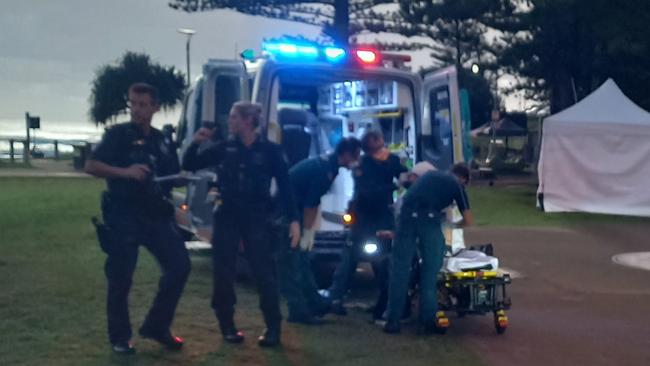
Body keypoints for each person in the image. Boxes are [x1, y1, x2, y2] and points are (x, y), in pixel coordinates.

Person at [182, 101, 300, 347]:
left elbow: (287, 188)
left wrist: (294, 221)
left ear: (248, 121)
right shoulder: (224, 148)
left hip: (257, 218)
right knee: (223, 274)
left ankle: (273, 328)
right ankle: (227, 327)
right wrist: (196, 142)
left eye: (234, 117)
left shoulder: (270, 151)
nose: (229, 121)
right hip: (227, 217)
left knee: (264, 274)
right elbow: (189, 164)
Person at [85, 83, 191, 354]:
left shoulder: (162, 140)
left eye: (143, 104)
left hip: (155, 215)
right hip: (124, 214)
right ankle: (120, 337)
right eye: (134, 103)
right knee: (121, 278)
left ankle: (157, 326)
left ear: (155, 107)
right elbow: (92, 165)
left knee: (179, 266)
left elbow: (171, 173)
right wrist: (126, 172)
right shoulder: (117, 135)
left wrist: (179, 178)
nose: (137, 109)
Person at [276, 137, 362, 324]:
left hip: (291, 210)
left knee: (303, 262)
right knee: (293, 265)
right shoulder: (326, 171)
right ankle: (297, 310)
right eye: (355, 155)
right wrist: (307, 232)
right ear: (347, 154)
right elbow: (310, 205)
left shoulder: (328, 165)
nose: (357, 160)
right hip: (287, 214)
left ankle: (315, 303)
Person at [383, 163, 473, 334]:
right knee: (430, 273)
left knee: (400, 271)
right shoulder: (456, 185)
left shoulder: (430, 175)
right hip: (429, 220)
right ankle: (428, 321)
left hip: (406, 218)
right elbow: (468, 220)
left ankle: (393, 321)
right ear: (463, 179)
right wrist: (452, 225)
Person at [327, 130, 407, 317]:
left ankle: (384, 301)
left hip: (378, 216)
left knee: (381, 261)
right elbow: (367, 191)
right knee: (352, 257)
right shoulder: (365, 164)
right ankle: (336, 298)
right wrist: (394, 186)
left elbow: (404, 176)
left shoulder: (391, 161)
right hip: (365, 216)